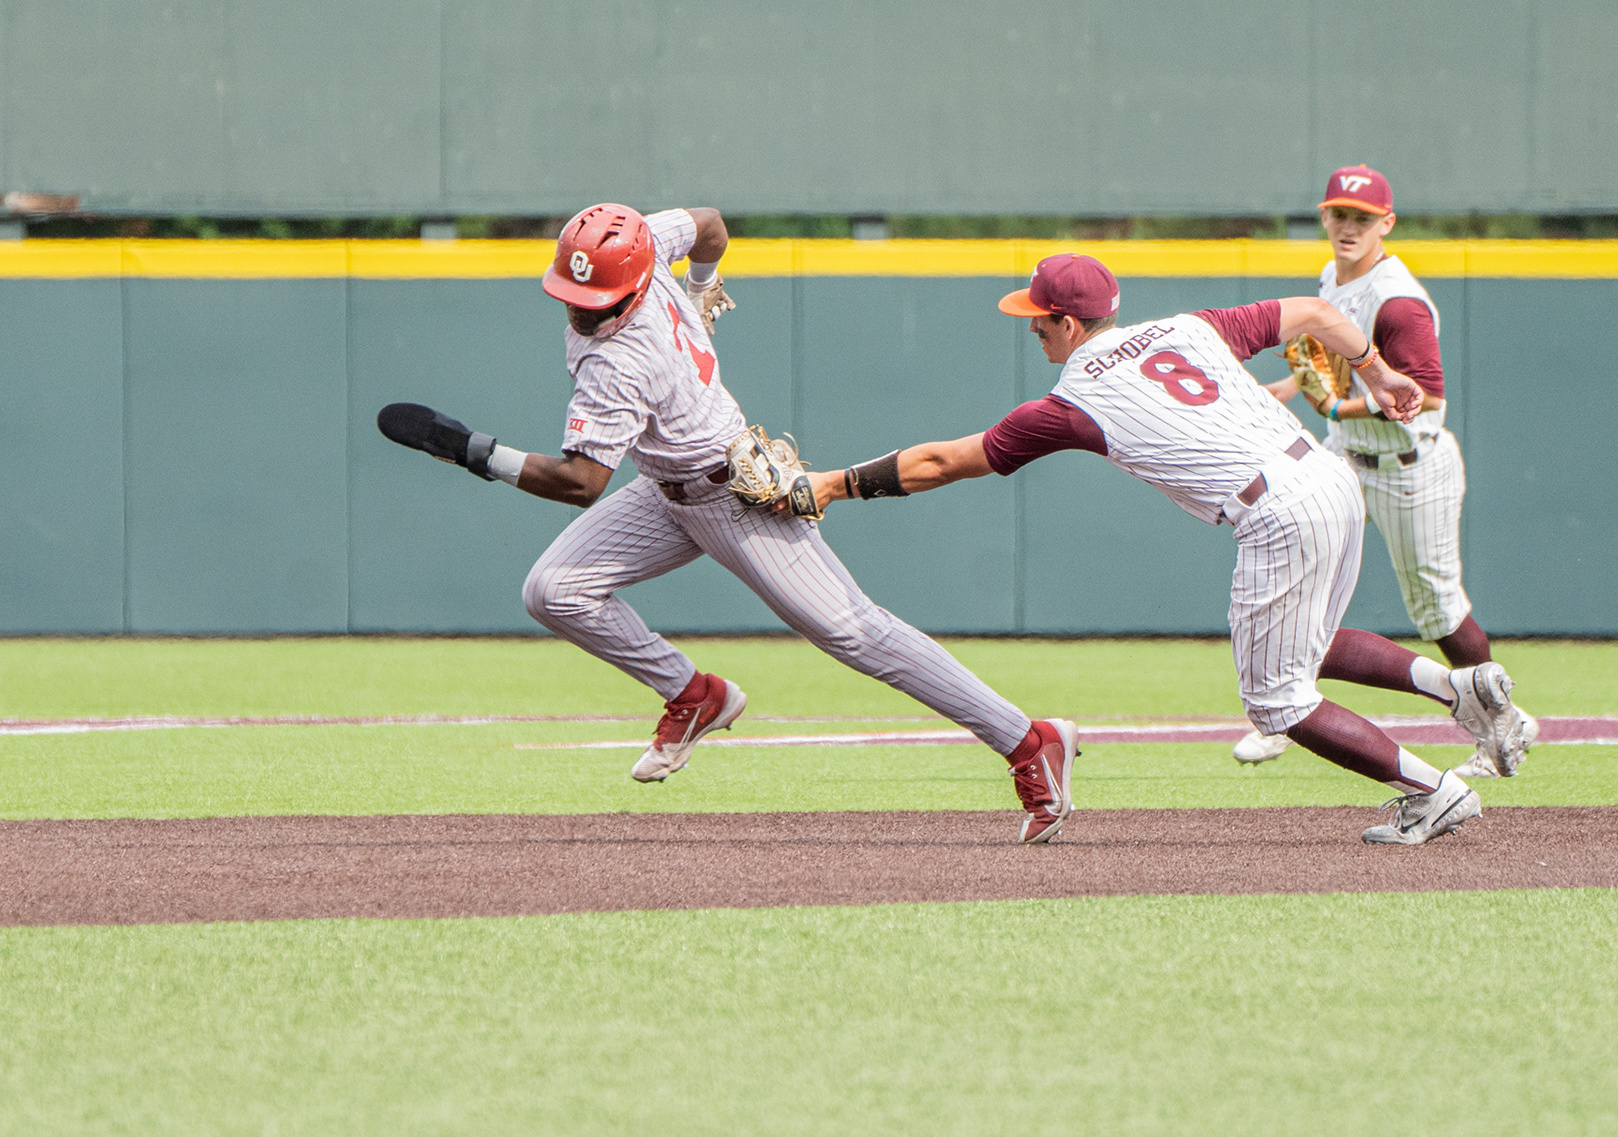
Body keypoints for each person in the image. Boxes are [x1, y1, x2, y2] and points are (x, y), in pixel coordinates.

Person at [376, 204, 1077, 844]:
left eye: (598, 301)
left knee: (854, 632)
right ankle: (694, 695)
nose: (583, 312)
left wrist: (475, 452)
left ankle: (1030, 742)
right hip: (667, 486)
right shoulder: (648, 242)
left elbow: (580, 483)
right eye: (573, 296)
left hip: (734, 493)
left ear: (634, 281)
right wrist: (703, 286)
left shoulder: (616, 361)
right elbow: (710, 223)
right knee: (554, 591)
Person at [777, 253, 1530, 845]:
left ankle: (1433, 793)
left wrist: (835, 485)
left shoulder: (1073, 401)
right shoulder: (1190, 328)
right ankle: (1459, 689)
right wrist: (1379, 371)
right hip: (1326, 477)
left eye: (1039, 319)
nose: (1032, 329)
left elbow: (944, 461)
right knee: (1307, 645)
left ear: (1069, 324)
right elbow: (1315, 313)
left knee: (1277, 700)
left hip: (1276, 511)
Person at [1235, 165, 1537, 777]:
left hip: (1408, 465)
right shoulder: (1334, 277)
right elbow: (1337, 360)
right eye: (1340, 215)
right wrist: (1290, 387)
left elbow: (1427, 395)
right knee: (1300, 577)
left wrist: (1336, 406)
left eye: (1363, 218)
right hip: (1346, 453)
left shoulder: (1397, 301)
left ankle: (1504, 722)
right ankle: (1285, 711)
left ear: (1387, 224)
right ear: (1324, 217)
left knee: (1436, 608)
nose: (1349, 227)